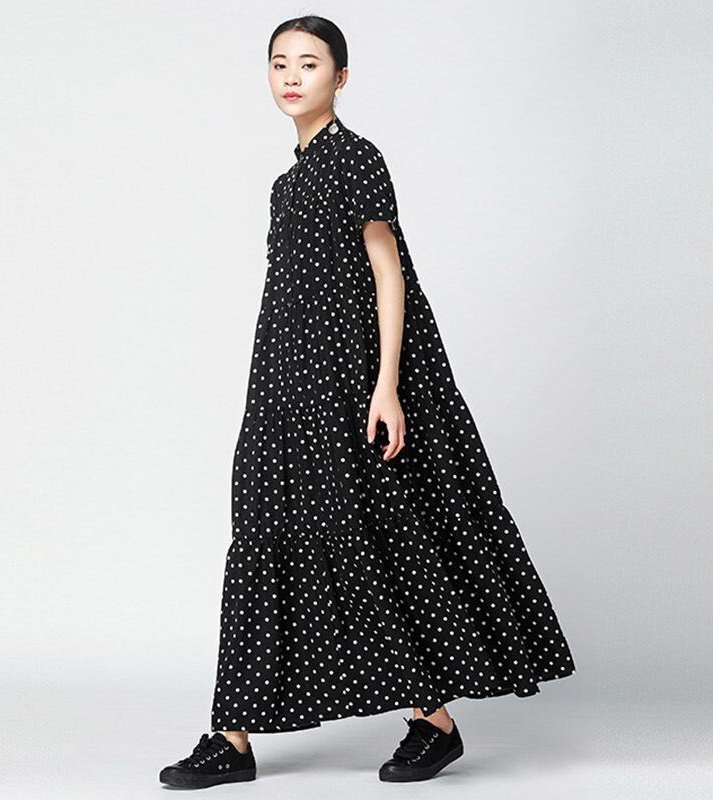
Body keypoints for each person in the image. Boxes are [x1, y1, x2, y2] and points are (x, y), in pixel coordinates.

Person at [159, 15, 576, 790]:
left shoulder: (355, 158)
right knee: (263, 537)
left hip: (349, 384)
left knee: (372, 535)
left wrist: (386, 387)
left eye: (309, 63)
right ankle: (233, 737)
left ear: (340, 78)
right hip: (285, 388)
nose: (292, 77)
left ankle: (434, 722)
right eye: (279, 63)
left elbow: (389, 272)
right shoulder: (287, 183)